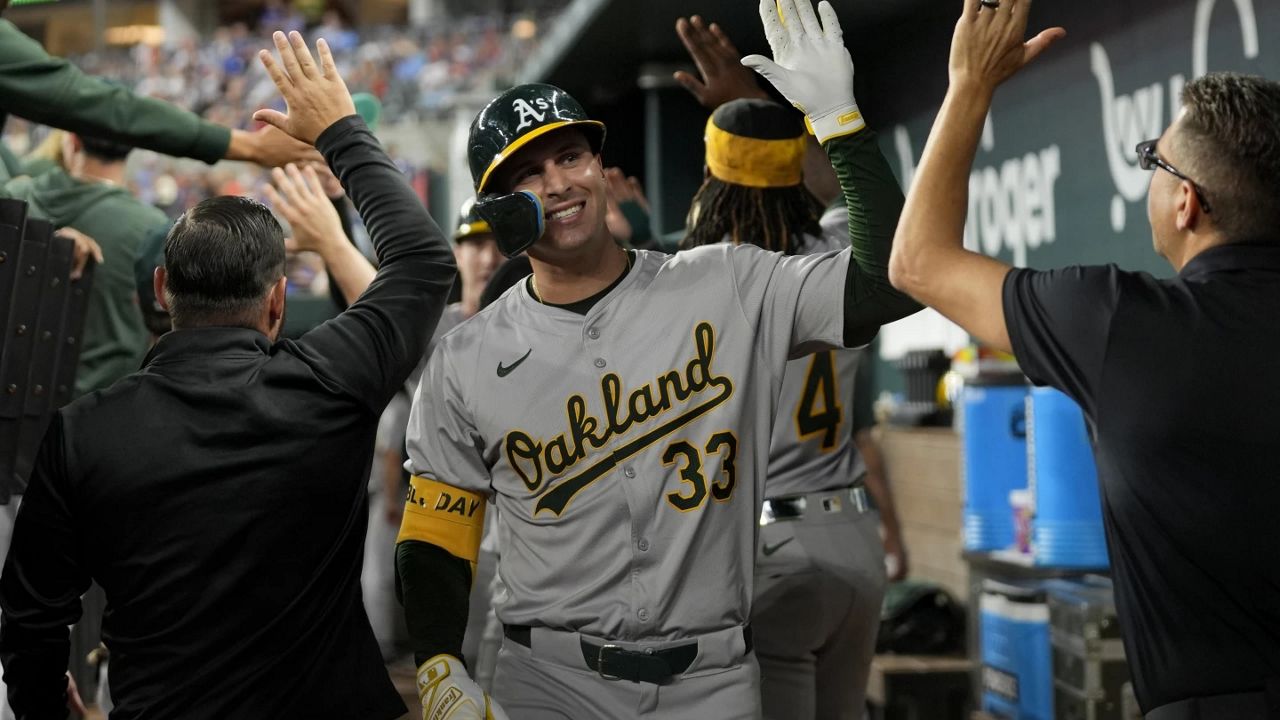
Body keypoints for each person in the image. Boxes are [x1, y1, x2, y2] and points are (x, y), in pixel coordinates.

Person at [393, 1, 919, 716]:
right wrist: (437, 662)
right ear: (498, 208)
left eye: (571, 156)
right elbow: (436, 531)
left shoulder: (726, 280)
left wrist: (840, 124)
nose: (558, 183)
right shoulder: (464, 358)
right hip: (548, 682)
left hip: (715, 678)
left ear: (601, 167)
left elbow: (894, 280)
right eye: (527, 174)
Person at [0, 31, 457, 719]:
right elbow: (423, 263)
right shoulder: (331, 379)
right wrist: (341, 131)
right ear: (278, 302)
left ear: (160, 290)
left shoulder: (81, 433)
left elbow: (31, 620)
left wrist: (43, 711)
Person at [886, 1, 1280, 717]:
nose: (1147, 176)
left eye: (1151, 161)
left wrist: (970, 85)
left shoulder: (1120, 323)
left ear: (1186, 203)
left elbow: (917, 261)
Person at [680, 98, 909, 720]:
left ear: (712, 180)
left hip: (770, 545)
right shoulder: (840, 246)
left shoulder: (704, 278)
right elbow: (857, 206)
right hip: (854, 538)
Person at [3, 132, 169, 397]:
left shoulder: (15, 196)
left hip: (11, 395)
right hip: (100, 405)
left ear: (72, 140)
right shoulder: (151, 227)